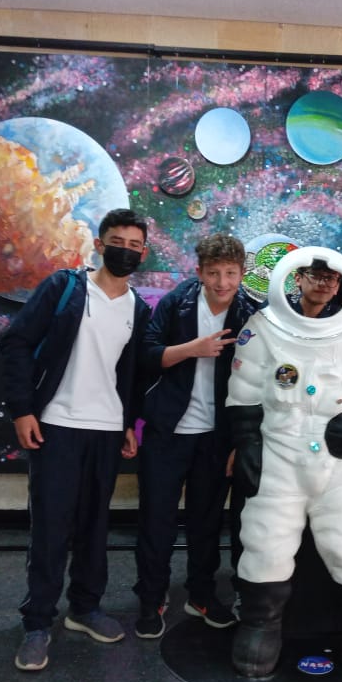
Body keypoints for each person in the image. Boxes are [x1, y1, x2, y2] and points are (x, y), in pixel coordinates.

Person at [226, 246, 342, 678]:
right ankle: (259, 625)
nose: (323, 283)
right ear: (296, 279)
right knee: (265, 544)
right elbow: (243, 390)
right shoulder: (262, 331)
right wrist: (247, 443)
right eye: (314, 275)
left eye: (331, 278)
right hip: (278, 460)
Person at [0, 208, 152, 671]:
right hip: (57, 424)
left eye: (134, 245)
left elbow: (130, 374)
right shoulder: (64, 288)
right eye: (117, 242)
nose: (125, 251)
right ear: (99, 245)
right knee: (51, 526)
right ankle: (37, 623)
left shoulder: (138, 309)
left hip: (106, 430)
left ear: (144, 253)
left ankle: (85, 608)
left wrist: (128, 425)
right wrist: (22, 409)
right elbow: (16, 342)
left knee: (93, 526)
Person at [133, 234, 258, 638]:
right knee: (157, 520)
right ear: (200, 271)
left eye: (230, 273)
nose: (222, 282)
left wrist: (240, 443)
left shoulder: (251, 315)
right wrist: (192, 348)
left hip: (216, 437)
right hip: (168, 431)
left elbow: (257, 385)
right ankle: (151, 597)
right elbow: (147, 355)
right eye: (214, 273)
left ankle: (201, 594)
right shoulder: (177, 303)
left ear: (242, 274)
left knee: (207, 521)